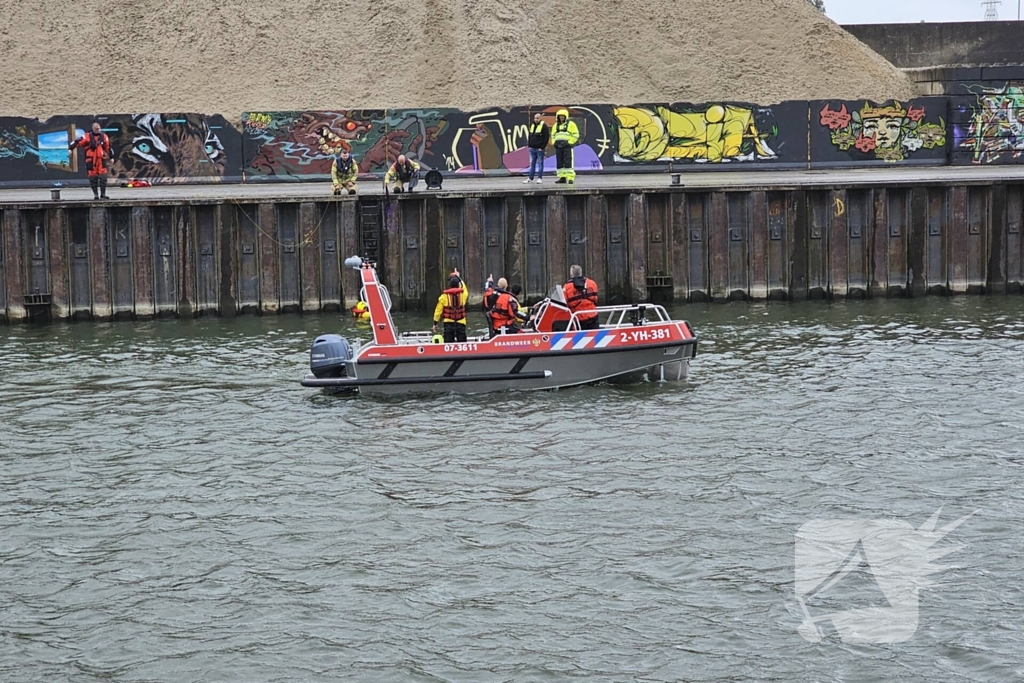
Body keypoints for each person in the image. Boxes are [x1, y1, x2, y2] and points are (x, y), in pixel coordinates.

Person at [70, 121, 113, 200]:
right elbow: (77, 141)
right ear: (93, 129)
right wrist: (70, 149)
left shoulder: (104, 137)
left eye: (98, 129)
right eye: (96, 129)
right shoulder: (86, 136)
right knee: (93, 178)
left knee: (103, 178)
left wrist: (111, 157)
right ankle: (96, 194)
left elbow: (108, 147)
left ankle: (103, 194)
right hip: (90, 160)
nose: (97, 130)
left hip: (101, 160)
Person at [433, 270, 469, 343]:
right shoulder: (463, 295)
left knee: (448, 343)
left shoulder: (443, 297)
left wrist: (435, 323)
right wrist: (460, 278)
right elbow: (465, 289)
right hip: (461, 323)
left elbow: (438, 312)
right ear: (458, 285)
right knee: (462, 343)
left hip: (448, 324)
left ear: (450, 285)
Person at [563, 264, 599, 329]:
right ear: (581, 273)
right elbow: (595, 299)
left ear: (571, 274)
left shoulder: (567, 287)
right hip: (593, 316)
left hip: (578, 318)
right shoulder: (592, 283)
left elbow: (565, 304)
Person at [551, 108, 580, 185]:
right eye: (560, 116)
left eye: (562, 116)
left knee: (568, 162)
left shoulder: (571, 124)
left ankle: (570, 178)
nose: (561, 117)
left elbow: (576, 134)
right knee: (559, 162)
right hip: (558, 146)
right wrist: (554, 143)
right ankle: (562, 177)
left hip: (567, 146)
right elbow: (553, 135)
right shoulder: (555, 125)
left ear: (565, 116)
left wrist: (569, 142)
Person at [524, 112, 550, 184]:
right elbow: (530, 136)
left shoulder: (544, 126)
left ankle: (539, 178)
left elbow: (546, 137)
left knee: (540, 163)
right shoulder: (532, 125)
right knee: (532, 163)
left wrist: (542, 147)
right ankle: (530, 178)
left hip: (539, 149)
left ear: (541, 118)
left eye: (537, 118)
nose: (536, 119)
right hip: (532, 148)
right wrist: (529, 144)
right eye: (535, 118)